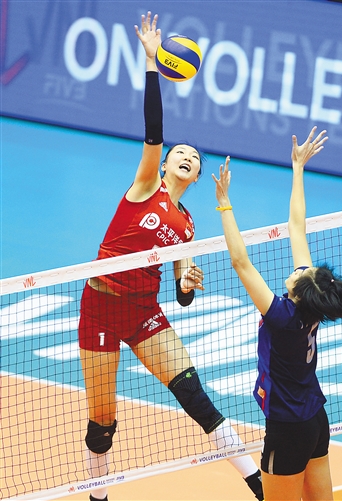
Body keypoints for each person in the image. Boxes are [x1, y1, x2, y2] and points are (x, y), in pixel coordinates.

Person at [78, 12, 264, 501]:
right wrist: (150, 62)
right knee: (102, 422)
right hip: (100, 306)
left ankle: (259, 485)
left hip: (144, 312)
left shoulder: (189, 226)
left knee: (195, 396)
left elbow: (183, 296)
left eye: (194, 158)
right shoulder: (145, 188)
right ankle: (99, 496)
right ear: (163, 165)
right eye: (179, 153)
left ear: (197, 176)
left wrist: (186, 286)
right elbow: (154, 129)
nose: (187, 157)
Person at [212, 127, 342, 501]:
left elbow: (241, 262)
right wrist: (298, 169)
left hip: (287, 428)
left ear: (299, 291)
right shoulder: (309, 305)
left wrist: (225, 204)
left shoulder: (281, 316)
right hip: (315, 418)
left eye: (302, 273)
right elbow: (297, 226)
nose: (299, 269)